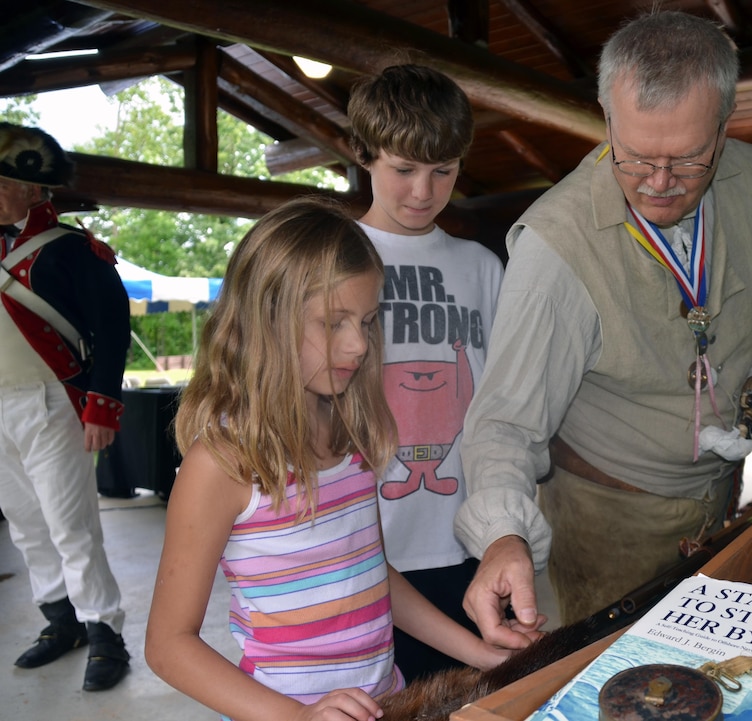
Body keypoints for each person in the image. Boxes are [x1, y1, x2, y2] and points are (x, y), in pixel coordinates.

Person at [453, 10, 752, 646]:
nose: (657, 183)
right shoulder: (556, 248)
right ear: (608, 119)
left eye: (686, 160)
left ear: (725, 130)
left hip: (717, 501)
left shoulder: (750, 176)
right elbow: (505, 423)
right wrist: (504, 535)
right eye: (636, 157)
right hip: (600, 525)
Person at [144, 197, 522, 721]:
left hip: (385, 700)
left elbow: (369, 572)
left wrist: (477, 650)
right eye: (334, 323)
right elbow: (168, 646)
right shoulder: (224, 464)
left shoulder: (350, 434)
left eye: (367, 322)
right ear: (265, 321)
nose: (360, 346)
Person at [347, 64, 505, 682]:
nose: (423, 191)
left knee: (459, 697)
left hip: (462, 541)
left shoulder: (481, 266)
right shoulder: (332, 257)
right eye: (404, 169)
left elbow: (500, 400)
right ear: (364, 154)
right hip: (358, 541)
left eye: (443, 171)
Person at [0, 123, 131, 691]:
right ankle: (60, 621)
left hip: (51, 400)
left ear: (35, 191)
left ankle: (105, 631)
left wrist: (102, 405)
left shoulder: (74, 250)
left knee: (70, 525)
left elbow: (112, 325)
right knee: (25, 522)